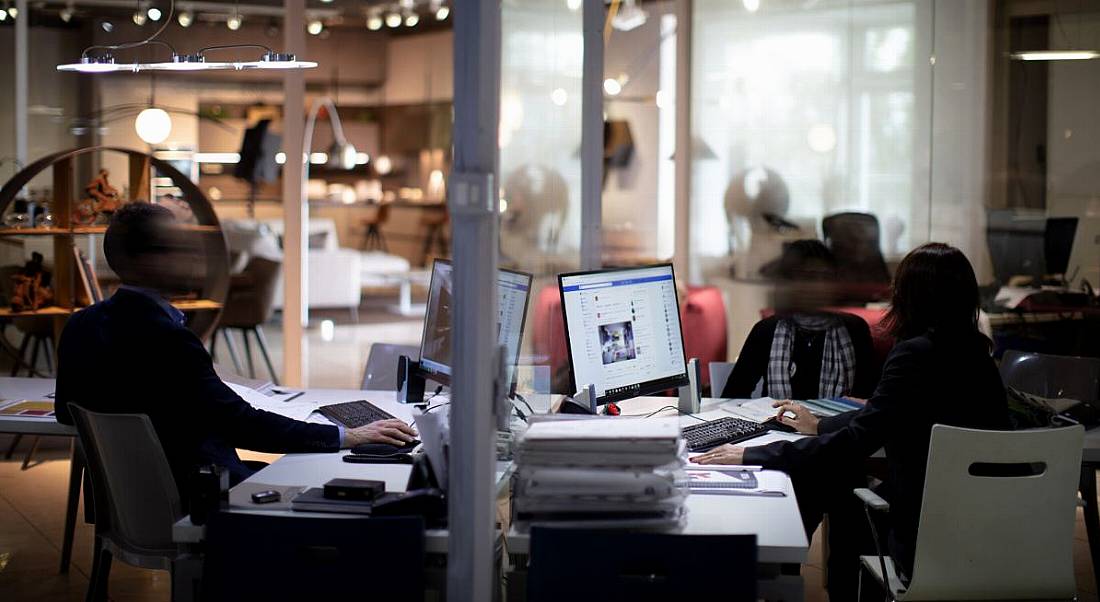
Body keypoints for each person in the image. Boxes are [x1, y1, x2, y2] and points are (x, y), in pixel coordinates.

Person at [694, 243, 1010, 599]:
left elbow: (861, 437)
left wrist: (755, 456)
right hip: (990, 533)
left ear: (910, 297)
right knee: (841, 494)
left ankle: (785, 584)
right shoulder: (978, 355)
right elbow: (888, 412)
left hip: (925, 538)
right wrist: (821, 425)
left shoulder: (912, 354)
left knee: (831, 501)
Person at [55, 202, 416, 499]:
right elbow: (241, 425)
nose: (193, 256)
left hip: (125, 503)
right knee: (345, 493)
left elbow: (66, 413)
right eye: (177, 247)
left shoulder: (80, 327)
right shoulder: (170, 341)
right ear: (143, 261)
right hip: (199, 493)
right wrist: (346, 436)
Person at [722, 240, 877, 400]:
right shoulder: (766, 330)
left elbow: (869, 399)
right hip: (777, 421)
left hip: (835, 424)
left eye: (826, 277)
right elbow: (733, 396)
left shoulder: (854, 329)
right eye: (807, 277)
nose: (818, 286)